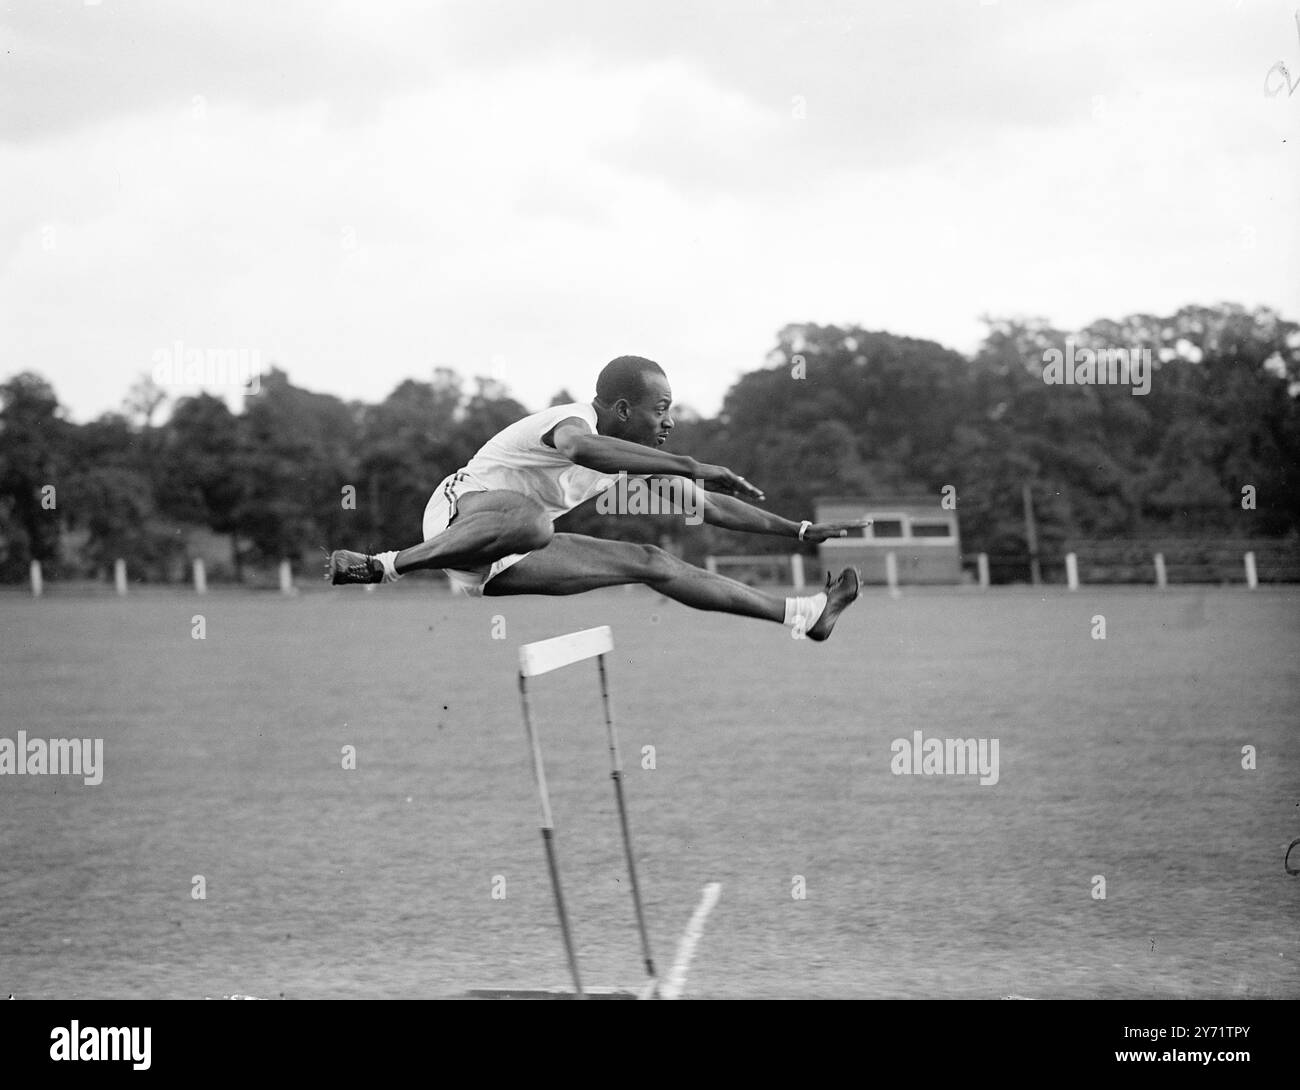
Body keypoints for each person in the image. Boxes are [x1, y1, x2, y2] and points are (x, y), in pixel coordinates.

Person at [327, 356, 862, 640]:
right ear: (623, 409)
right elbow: (583, 450)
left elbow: (712, 506)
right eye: (661, 409)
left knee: (652, 562)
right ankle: (382, 565)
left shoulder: (626, 456)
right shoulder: (573, 422)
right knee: (537, 523)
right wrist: (693, 465)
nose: (669, 422)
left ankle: (802, 615)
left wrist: (798, 530)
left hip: (505, 555)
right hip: (459, 514)